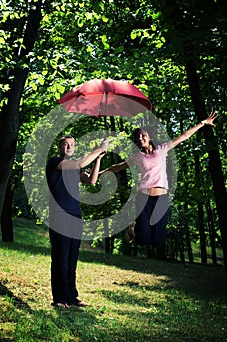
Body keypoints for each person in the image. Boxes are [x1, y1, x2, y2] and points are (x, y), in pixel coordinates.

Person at [100, 111, 218, 256]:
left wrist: (203, 123)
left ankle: (134, 226)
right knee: (143, 239)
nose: (140, 138)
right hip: (143, 198)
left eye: (143, 135)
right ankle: (132, 228)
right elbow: (118, 166)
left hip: (161, 199)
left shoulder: (162, 150)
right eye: (138, 137)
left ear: (149, 138)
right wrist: (99, 173)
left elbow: (183, 136)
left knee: (157, 240)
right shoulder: (138, 156)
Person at [46, 135, 108, 308]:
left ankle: (71, 297)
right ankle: (59, 298)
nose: (68, 147)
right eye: (65, 145)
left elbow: (92, 181)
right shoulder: (55, 163)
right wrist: (98, 148)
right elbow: (80, 164)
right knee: (61, 257)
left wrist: (98, 159)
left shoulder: (75, 170)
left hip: (75, 216)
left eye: (72, 145)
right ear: (59, 148)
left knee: (72, 259)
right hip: (59, 215)